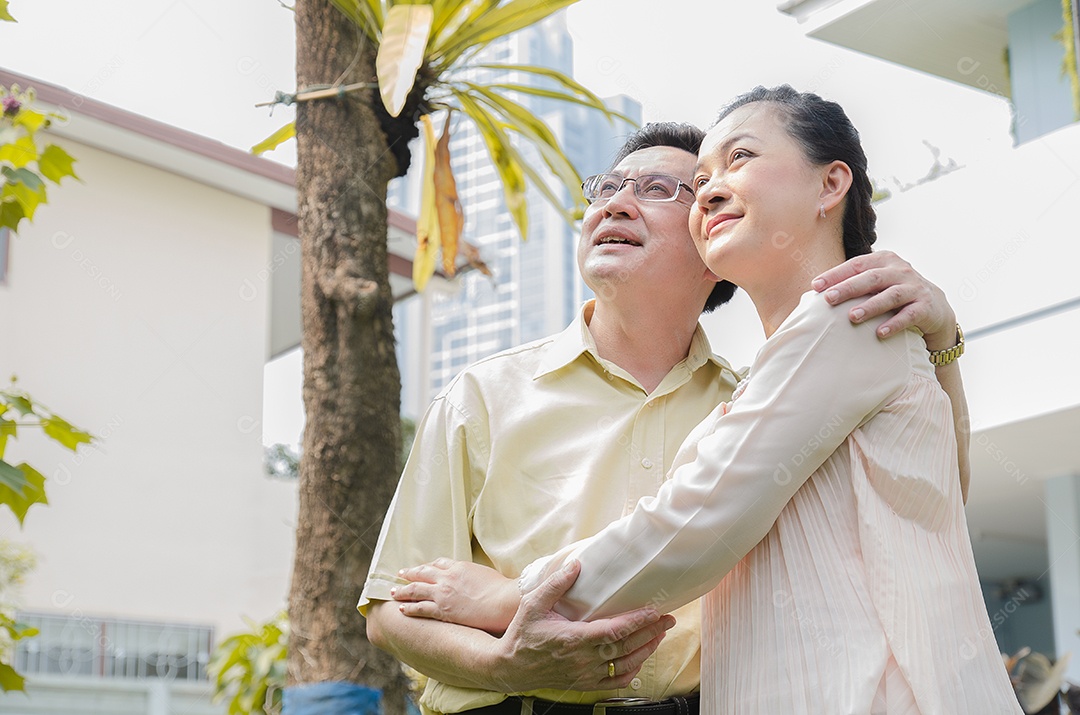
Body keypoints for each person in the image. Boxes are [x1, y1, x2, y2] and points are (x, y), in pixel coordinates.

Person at [363, 117, 971, 715]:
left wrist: (940, 344)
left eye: (659, 191)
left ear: (713, 246)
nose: (616, 206)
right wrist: (503, 664)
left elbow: (920, 500)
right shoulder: (482, 396)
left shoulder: (760, 400)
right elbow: (392, 610)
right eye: (607, 187)